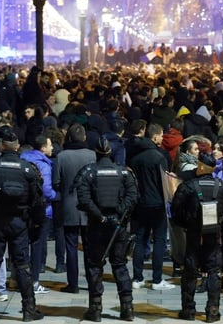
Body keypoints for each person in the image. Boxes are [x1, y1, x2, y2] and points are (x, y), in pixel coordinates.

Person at [170, 155, 223, 322]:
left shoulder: (188, 186)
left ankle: (188, 311)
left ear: (200, 167)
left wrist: (185, 224)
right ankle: (212, 311)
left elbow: (175, 210)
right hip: (214, 237)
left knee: (190, 273)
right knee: (214, 272)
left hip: (194, 236)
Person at [76, 138, 139, 322]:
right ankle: (127, 308)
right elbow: (133, 196)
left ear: (96, 152)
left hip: (97, 226)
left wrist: (100, 216)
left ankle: (95, 309)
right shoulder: (123, 172)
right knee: (119, 265)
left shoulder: (89, 172)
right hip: (117, 226)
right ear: (110, 153)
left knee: (95, 265)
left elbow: (83, 199)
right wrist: (118, 213)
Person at [0, 129, 44, 321]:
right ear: (17, 146)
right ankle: (29, 309)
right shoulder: (28, 169)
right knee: (22, 266)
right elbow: (38, 201)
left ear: (2, 146)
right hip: (19, 222)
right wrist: (37, 225)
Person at [127, 123, 175, 290]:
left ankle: (137, 278)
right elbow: (164, 182)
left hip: (140, 204)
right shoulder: (159, 157)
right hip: (157, 204)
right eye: (161, 135)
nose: (162, 138)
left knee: (140, 239)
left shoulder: (135, 157)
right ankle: (157, 279)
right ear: (155, 137)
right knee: (160, 240)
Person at [53, 123, 97, 294]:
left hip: (69, 205)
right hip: (88, 207)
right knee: (89, 247)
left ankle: (73, 284)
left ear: (68, 137)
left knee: (71, 246)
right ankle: (92, 282)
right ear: (84, 137)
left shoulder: (62, 157)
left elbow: (56, 182)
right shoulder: (92, 155)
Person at [20, 134, 57, 294]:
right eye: (50, 145)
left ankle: (20, 279)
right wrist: (57, 196)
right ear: (43, 148)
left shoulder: (23, 159)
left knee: (21, 245)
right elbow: (47, 192)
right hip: (41, 211)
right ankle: (34, 282)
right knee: (37, 246)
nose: (52, 148)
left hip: (22, 209)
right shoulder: (44, 165)